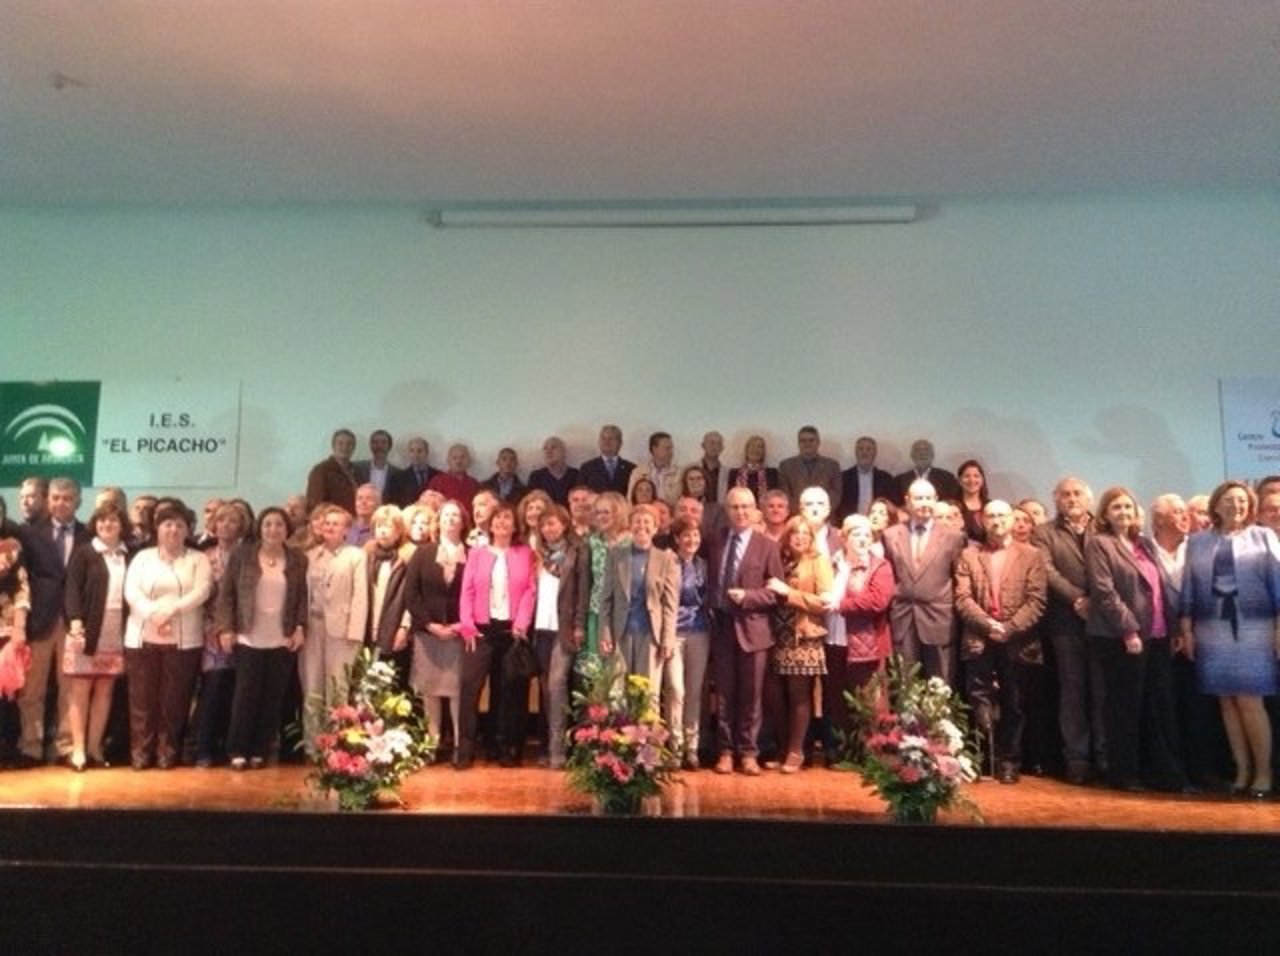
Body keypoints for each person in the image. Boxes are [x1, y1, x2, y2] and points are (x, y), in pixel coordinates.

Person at [1180, 480, 1280, 797]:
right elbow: (1189, 589)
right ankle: (1242, 772)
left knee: (1251, 700)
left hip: (1255, 628)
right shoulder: (1196, 542)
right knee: (1226, 702)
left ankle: (1263, 774)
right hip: (1212, 630)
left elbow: (1278, 584)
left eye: (1241, 500)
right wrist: (1186, 629)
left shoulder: (1264, 537)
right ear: (1216, 505)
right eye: (1229, 499)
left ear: (1249, 506)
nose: (1236, 505)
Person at [1086, 487, 1186, 793]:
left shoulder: (1143, 544)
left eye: (1128, 507)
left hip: (1156, 635)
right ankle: (1124, 772)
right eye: (1116, 507)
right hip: (1120, 638)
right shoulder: (1099, 544)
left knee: (1156, 706)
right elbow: (1104, 592)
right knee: (1125, 708)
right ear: (1105, 513)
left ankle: (1159, 771)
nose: (1123, 512)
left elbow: (1160, 588)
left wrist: (1174, 629)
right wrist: (1128, 629)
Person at [954, 500, 1048, 783]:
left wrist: (1009, 628)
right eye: (991, 515)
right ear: (983, 520)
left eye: (1002, 515)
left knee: (1014, 702)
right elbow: (962, 597)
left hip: (1017, 641)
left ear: (1012, 520)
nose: (996, 520)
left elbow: (1037, 600)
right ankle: (983, 758)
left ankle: (1009, 760)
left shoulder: (1032, 555)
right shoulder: (969, 555)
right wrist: (987, 624)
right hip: (979, 639)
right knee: (978, 698)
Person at [123, 500, 213, 770]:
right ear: (157, 529)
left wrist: (171, 609)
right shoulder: (142, 557)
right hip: (142, 637)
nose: (173, 530)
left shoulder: (198, 559)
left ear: (187, 530)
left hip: (184, 639)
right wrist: (153, 613)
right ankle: (141, 750)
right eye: (167, 524)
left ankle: (167, 750)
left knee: (175, 699)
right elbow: (131, 591)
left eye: (179, 525)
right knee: (142, 699)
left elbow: (202, 590)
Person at [216, 508, 307, 770]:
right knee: (245, 696)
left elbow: (302, 597)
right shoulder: (243, 555)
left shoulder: (297, 559)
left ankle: (260, 749)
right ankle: (237, 749)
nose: (273, 529)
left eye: (279, 524)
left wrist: (301, 627)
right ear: (259, 528)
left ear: (286, 529)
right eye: (268, 524)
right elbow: (227, 595)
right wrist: (225, 628)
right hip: (248, 636)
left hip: (282, 637)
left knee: (272, 698)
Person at [1033, 476, 1105, 785]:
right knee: (1073, 692)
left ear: (1089, 499)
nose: (1071, 498)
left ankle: (1105, 755)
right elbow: (1046, 571)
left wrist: (1097, 601)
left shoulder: (1103, 528)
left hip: (1105, 621)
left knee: (1102, 691)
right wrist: (1077, 598)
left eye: (1077, 493)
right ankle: (1077, 757)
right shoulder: (1043, 532)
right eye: (1065, 494)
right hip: (1065, 623)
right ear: (1056, 500)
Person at [710, 487, 784, 776]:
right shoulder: (715, 541)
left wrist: (748, 597)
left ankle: (749, 752)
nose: (740, 512)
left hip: (754, 631)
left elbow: (776, 593)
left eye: (745, 507)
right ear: (726, 511)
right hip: (723, 628)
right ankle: (726, 751)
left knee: (752, 696)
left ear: (755, 511)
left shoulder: (767, 546)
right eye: (734, 507)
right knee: (725, 694)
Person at [15, 476, 89, 767]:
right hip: (40, 619)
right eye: (56, 497)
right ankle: (30, 747)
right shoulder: (29, 533)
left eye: (68, 498)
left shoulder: (87, 534)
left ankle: (66, 747)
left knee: (69, 688)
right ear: (48, 500)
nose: (61, 503)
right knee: (32, 689)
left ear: (78, 501)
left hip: (74, 621)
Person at [458, 503, 536, 767]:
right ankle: (465, 750)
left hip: (510, 630)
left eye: (508, 518)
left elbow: (529, 591)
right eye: (498, 519)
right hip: (479, 630)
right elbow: (467, 590)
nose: (502, 523)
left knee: (507, 692)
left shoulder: (525, 553)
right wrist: (467, 625)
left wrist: (522, 623)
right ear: (490, 525)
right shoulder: (477, 553)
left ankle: (503, 747)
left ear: (515, 526)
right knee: (470, 687)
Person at [61, 504, 131, 771]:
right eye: (101, 520)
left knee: (105, 691)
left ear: (121, 524)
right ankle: (78, 750)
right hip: (86, 631)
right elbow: (71, 588)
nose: (106, 525)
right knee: (80, 692)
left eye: (112, 520)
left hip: (116, 632)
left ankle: (94, 747)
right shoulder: (84, 553)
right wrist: (76, 619)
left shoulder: (129, 554)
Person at [879, 479, 968, 685]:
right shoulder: (890, 535)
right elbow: (890, 575)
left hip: (939, 619)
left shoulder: (954, 537)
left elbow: (959, 580)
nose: (925, 503)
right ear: (908, 501)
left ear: (936, 500)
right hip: (903, 618)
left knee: (940, 687)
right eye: (919, 498)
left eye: (929, 498)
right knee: (905, 687)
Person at [765, 516, 834, 773]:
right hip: (775, 636)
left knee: (799, 696)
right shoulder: (778, 557)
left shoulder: (818, 561)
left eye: (806, 533)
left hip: (803, 637)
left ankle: (796, 751)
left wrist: (789, 593)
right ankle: (782, 748)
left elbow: (823, 603)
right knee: (774, 696)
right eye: (796, 532)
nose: (800, 537)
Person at [404, 499, 469, 766]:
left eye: (456, 515)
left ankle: (457, 744)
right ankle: (432, 742)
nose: (451, 519)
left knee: (455, 690)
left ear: (464, 522)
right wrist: (429, 624)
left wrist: (460, 624)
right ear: (438, 520)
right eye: (446, 515)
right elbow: (412, 593)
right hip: (427, 632)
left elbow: (477, 593)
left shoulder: (473, 553)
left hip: (458, 632)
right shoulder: (423, 553)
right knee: (430, 690)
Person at [826, 514, 895, 760]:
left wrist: (842, 605)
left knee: (872, 703)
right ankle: (844, 752)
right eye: (856, 534)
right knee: (837, 698)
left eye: (867, 534)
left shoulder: (880, 566)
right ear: (844, 537)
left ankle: (876, 755)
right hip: (834, 639)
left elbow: (878, 601)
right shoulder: (832, 563)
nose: (862, 539)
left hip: (868, 643)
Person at [300, 505, 369, 750]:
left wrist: (356, 634)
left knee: (337, 688)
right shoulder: (310, 555)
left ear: (347, 530)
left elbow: (360, 596)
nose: (330, 527)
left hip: (342, 631)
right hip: (312, 628)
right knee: (311, 686)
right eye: (326, 523)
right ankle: (312, 744)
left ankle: (336, 743)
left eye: (336, 523)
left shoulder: (356, 555)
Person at [191, 501, 251, 768]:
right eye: (222, 520)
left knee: (234, 692)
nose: (227, 525)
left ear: (242, 526)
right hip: (210, 630)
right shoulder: (204, 556)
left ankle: (227, 746)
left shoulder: (249, 555)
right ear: (214, 525)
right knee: (212, 689)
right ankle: (202, 748)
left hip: (243, 631)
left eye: (233, 521)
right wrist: (215, 627)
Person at [530, 505, 586, 768]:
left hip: (563, 628)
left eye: (552, 523)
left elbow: (582, 593)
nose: (548, 529)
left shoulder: (576, 552)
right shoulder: (539, 555)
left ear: (565, 524)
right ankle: (551, 745)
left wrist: (578, 625)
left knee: (557, 685)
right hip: (541, 628)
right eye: (544, 525)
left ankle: (559, 751)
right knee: (547, 689)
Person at [598, 505, 680, 684]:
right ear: (630, 526)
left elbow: (670, 605)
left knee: (647, 694)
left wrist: (667, 639)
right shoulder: (616, 555)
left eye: (647, 522)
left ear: (656, 528)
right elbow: (605, 600)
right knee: (618, 695)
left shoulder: (666, 559)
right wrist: (605, 634)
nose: (641, 526)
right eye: (637, 521)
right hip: (620, 632)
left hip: (650, 635)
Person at [670, 516, 710, 770]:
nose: (691, 540)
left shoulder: (704, 565)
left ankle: (692, 748)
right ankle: (674, 746)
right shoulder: (667, 562)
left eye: (695, 535)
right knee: (676, 690)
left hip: (700, 631)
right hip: (673, 632)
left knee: (694, 691)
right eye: (686, 535)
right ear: (676, 539)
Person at [365, 505, 415, 685]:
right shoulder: (367, 556)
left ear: (399, 530)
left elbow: (412, 597)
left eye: (388, 526)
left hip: (393, 627)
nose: (383, 531)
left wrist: (404, 627)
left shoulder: (407, 558)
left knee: (391, 684)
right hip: (368, 628)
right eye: (379, 526)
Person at [583, 492, 630, 660]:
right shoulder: (593, 541)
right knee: (597, 667)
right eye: (597, 512)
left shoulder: (632, 542)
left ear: (619, 513)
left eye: (606, 512)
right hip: (597, 610)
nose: (601, 517)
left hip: (624, 613)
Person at [0, 534, 30, 765]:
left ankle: (8, 748)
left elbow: (22, 592)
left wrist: (19, 627)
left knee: (6, 695)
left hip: (6, 632)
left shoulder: (11, 548)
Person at [778, 425, 841, 514]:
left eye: (811, 440)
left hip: (825, 519)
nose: (807, 444)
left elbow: (836, 495)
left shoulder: (832, 465)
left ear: (818, 442)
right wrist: (804, 513)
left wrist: (820, 514)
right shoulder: (785, 466)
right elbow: (785, 496)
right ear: (798, 443)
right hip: (796, 519)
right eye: (803, 441)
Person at [837, 436, 896, 522]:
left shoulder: (886, 478)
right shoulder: (843, 477)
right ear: (855, 452)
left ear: (875, 453)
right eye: (860, 449)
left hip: (878, 525)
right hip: (851, 525)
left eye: (869, 449)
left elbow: (891, 506)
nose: (864, 452)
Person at [305, 428, 359, 514]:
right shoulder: (321, 470)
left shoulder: (357, 471)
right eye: (340, 443)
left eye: (349, 444)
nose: (345, 447)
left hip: (353, 521)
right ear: (333, 446)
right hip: (332, 523)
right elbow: (316, 504)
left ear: (354, 447)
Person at [894, 438, 962, 503]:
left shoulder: (948, 478)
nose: (923, 454)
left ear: (933, 455)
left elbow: (953, 503)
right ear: (912, 455)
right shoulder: (899, 481)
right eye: (918, 450)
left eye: (926, 450)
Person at [427, 444, 482, 519]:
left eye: (462, 457)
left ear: (469, 460)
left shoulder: (475, 484)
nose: (458, 461)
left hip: (469, 527)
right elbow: (429, 509)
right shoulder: (437, 482)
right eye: (454, 458)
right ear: (448, 461)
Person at [628, 431, 681, 506]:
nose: (671, 452)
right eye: (667, 448)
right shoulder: (638, 472)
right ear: (654, 449)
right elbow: (630, 500)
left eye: (671, 448)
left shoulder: (679, 473)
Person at [579, 424, 634, 495]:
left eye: (611, 438)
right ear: (599, 442)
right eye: (603, 438)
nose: (606, 442)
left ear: (620, 443)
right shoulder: (587, 468)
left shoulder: (631, 469)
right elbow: (580, 494)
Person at [527, 436, 581, 507]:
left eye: (553, 447)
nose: (548, 452)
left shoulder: (576, 475)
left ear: (564, 452)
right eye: (545, 448)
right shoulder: (536, 477)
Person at [386, 437, 438, 508]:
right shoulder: (398, 479)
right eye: (412, 451)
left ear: (427, 452)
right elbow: (393, 506)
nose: (415, 455)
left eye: (419, 451)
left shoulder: (438, 476)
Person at [727, 434, 778, 505]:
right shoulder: (734, 473)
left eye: (759, 447)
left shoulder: (772, 473)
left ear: (764, 452)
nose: (755, 449)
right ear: (746, 450)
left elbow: (775, 498)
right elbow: (730, 499)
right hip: (741, 513)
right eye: (752, 446)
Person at [353, 428, 401, 500]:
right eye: (375, 442)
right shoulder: (357, 468)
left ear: (389, 446)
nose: (379, 446)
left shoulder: (398, 474)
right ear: (370, 446)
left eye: (383, 442)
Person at [956, 459, 991, 542]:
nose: (971, 480)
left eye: (976, 476)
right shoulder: (953, 507)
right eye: (966, 476)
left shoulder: (990, 506)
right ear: (959, 480)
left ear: (982, 480)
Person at [695, 430, 728, 503]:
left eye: (718, 444)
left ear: (722, 448)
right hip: (696, 510)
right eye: (711, 443)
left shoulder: (728, 473)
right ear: (703, 445)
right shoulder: (692, 469)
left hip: (720, 512)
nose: (715, 447)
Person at [345, 483, 381, 547]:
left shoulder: (380, 530)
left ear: (378, 504)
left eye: (369, 498)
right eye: (359, 498)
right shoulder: (346, 525)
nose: (363, 502)